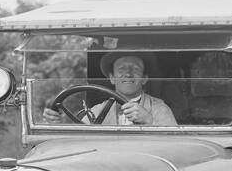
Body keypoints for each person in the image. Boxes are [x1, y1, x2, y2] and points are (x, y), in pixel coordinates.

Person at [40, 53, 177, 126]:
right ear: (112, 78)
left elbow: (178, 146)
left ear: (144, 79)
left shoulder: (159, 108)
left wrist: (149, 121)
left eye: (135, 69)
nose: (128, 73)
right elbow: (79, 138)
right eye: (121, 69)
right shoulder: (98, 110)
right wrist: (58, 124)